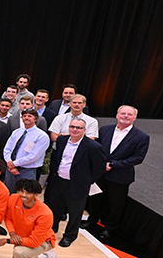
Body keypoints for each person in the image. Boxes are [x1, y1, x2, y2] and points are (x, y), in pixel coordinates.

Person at [84, 105, 150, 240]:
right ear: (117, 115)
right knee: (96, 198)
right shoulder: (104, 130)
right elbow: (98, 149)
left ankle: (110, 229)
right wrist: (100, 163)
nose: (125, 116)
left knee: (116, 204)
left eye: (129, 114)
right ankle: (92, 220)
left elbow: (138, 158)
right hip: (101, 173)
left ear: (135, 118)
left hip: (120, 176)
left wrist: (114, 165)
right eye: (123, 113)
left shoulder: (142, 137)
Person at [45, 118, 105, 247]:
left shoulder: (94, 147)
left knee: (75, 212)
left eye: (78, 128)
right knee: (55, 208)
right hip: (59, 181)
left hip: (78, 185)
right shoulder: (62, 140)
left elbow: (99, 168)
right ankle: (52, 229)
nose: (75, 129)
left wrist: (87, 180)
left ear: (84, 130)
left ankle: (70, 236)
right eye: (72, 126)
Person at [3, 109, 49, 193]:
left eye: (30, 116)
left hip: (27, 171)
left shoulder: (42, 136)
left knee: (26, 195)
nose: (26, 118)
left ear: (35, 119)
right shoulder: (16, 132)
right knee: (8, 193)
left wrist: (14, 164)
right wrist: (9, 162)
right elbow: (7, 148)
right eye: (24, 116)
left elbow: (33, 156)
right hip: (10, 169)